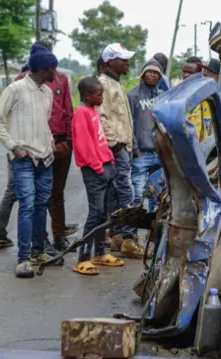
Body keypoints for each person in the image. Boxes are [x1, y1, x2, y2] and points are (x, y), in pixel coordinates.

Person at [0, 43, 58, 278]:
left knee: (40, 207)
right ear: (41, 68)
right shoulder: (15, 89)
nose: (55, 74)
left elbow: (44, 122)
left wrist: (50, 144)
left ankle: (38, 252)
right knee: (26, 206)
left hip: (44, 159)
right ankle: (23, 259)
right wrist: (13, 146)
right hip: (23, 159)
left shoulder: (47, 92)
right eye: (52, 69)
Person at [15, 45, 78, 252]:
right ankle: (41, 240)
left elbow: (68, 109)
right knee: (36, 197)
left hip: (60, 142)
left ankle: (59, 234)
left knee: (57, 193)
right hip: (34, 145)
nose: (53, 69)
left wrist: (68, 141)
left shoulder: (61, 79)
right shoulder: (21, 82)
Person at [72, 76, 123, 275]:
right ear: (87, 94)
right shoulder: (81, 113)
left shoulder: (93, 111)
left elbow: (100, 140)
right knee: (95, 213)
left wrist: (109, 159)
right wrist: (98, 168)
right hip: (94, 170)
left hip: (105, 165)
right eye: (99, 94)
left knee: (104, 214)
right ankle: (83, 258)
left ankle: (100, 253)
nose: (102, 97)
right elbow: (84, 145)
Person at [98, 43, 145, 258]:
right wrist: (115, 143)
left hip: (123, 146)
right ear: (110, 62)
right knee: (128, 193)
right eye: (122, 59)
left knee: (119, 194)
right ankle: (128, 238)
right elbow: (102, 117)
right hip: (116, 147)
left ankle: (117, 236)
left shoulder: (115, 83)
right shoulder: (104, 85)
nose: (127, 62)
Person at [127, 59, 164, 219]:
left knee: (158, 196)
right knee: (137, 196)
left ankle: (153, 233)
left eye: (156, 73)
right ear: (143, 74)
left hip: (159, 153)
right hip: (141, 154)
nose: (152, 75)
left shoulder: (163, 96)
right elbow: (128, 124)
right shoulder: (133, 95)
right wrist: (135, 150)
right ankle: (130, 236)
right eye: (149, 71)